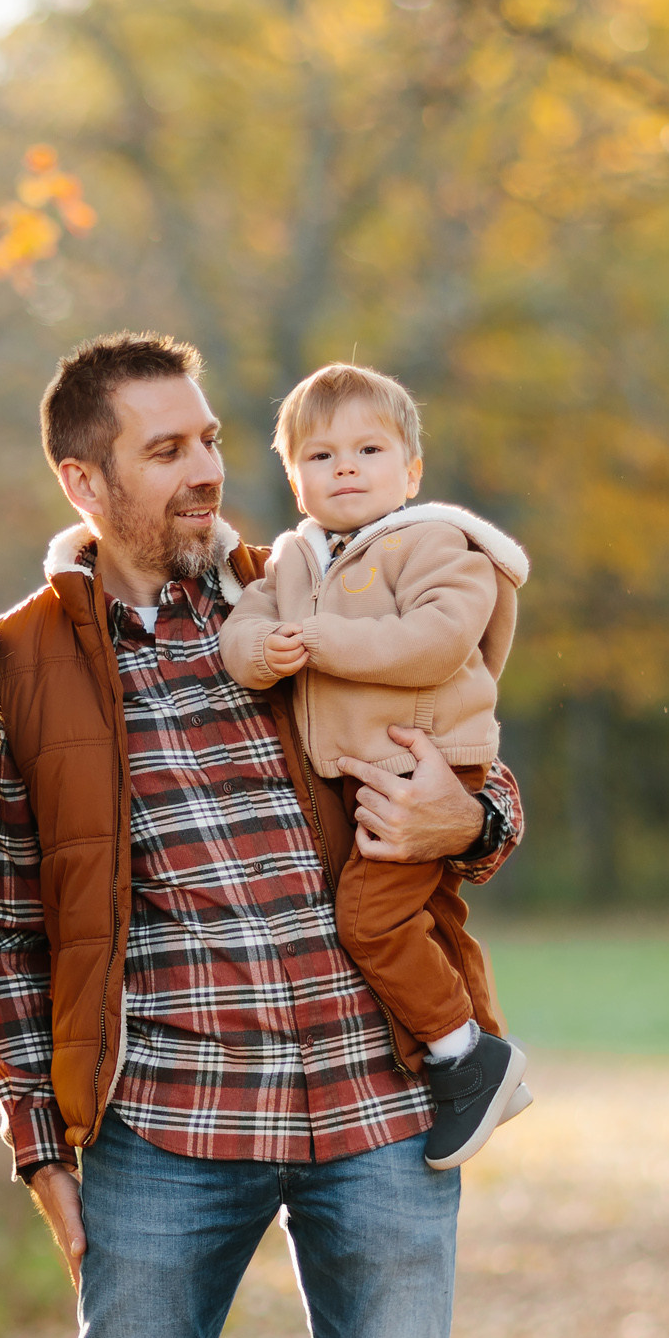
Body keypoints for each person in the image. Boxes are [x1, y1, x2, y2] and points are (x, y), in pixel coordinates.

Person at [0, 334, 524, 1338]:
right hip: (168, 1121)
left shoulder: (309, 588)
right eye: (168, 452)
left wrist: (478, 817)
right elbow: (7, 921)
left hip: (376, 1101)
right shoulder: (23, 662)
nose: (208, 472)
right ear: (82, 476)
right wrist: (41, 1144)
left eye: (212, 440)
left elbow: (462, 738)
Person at [220, 363, 534, 1169]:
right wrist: (266, 648)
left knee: (368, 917)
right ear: (295, 478)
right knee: (426, 917)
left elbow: (437, 638)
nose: (347, 467)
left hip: (429, 764)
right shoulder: (293, 559)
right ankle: (476, 1049)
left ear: (411, 470)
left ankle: (464, 1052)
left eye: (368, 448)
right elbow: (242, 634)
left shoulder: (432, 542)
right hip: (367, 773)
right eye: (321, 457)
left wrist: (323, 642)